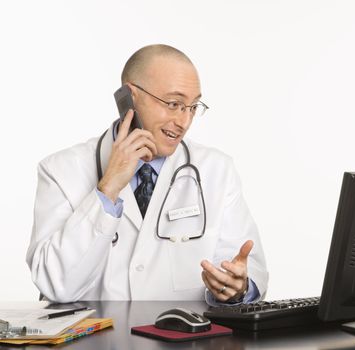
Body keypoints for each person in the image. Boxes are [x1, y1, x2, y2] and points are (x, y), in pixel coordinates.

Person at [26, 44, 268, 304]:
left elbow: (248, 269)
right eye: (174, 104)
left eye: (193, 107)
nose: (184, 121)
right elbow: (55, 284)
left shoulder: (217, 170)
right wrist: (107, 189)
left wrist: (238, 288)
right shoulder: (61, 171)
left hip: (185, 341)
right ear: (130, 97)